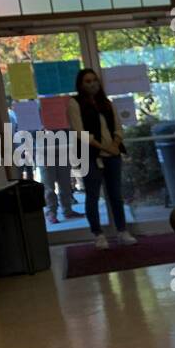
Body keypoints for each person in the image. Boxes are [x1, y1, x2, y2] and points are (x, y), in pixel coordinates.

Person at [68, 68, 135, 250]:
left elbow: (118, 127)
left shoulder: (107, 103)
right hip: (90, 156)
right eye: (87, 81)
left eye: (94, 80)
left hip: (113, 155)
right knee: (93, 196)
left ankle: (122, 231)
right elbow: (80, 132)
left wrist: (115, 143)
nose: (92, 84)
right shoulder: (74, 103)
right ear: (81, 85)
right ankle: (98, 234)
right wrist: (104, 147)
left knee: (116, 195)